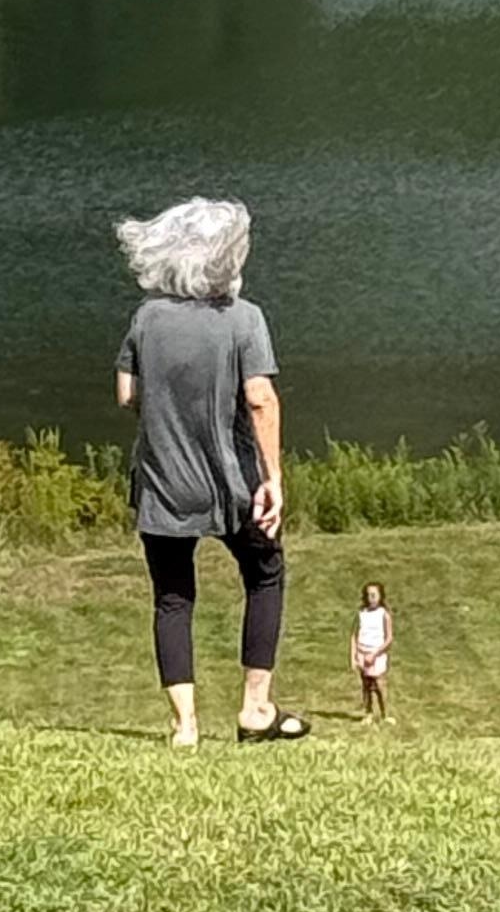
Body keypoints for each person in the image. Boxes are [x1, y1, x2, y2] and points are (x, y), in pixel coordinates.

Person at [114, 195, 307, 747]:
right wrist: (273, 478)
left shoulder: (147, 317)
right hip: (233, 483)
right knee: (265, 573)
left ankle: (185, 726)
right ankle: (255, 709)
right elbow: (261, 399)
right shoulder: (245, 320)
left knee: (173, 597)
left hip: (162, 484)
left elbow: (126, 395)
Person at [353, 577, 394, 722]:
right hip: (362, 652)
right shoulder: (361, 613)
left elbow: (389, 638)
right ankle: (368, 713)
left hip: (377, 654)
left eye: (374, 595)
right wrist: (354, 655)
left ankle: (385, 714)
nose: (371, 599)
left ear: (380, 596)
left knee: (379, 684)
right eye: (368, 595)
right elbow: (354, 635)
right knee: (366, 685)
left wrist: (375, 653)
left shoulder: (384, 614)